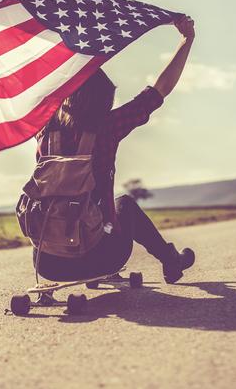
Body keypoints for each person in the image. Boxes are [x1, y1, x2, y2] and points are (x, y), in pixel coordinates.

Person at [32, 14, 196, 284]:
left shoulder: (45, 132)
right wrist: (187, 39)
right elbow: (159, 90)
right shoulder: (107, 127)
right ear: (103, 102)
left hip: (47, 263)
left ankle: (167, 257)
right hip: (102, 258)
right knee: (125, 205)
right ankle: (170, 260)